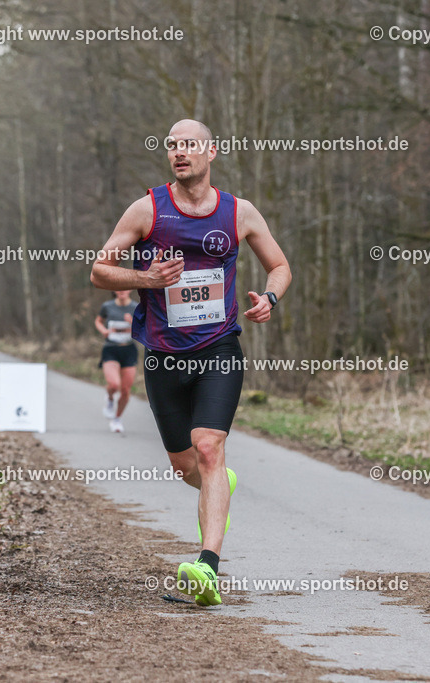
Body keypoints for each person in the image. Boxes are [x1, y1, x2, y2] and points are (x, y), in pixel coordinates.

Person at [90, 119, 291, 606]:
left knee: (208, 448)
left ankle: (207, 568)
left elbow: (280, 266)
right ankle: (217, 482)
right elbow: (99, 270)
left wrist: (269, 298)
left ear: (211, 151)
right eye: (173, 146)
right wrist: (147, 278)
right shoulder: (147, 210)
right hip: (163, 357)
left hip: (219, 348)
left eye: (189, 145)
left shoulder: (239, 213)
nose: (180, 153)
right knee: (186, 465)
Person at [95, 290, 139, 433]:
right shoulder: (107, 306)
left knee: (126, 391)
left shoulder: (136, 307)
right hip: (111, 349)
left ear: (130, 290)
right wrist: (103, 330)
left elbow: (145, 327)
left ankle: (117, 419)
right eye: (118, 288)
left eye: (124, 288)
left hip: (129, 350)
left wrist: (133, 322)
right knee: (114, 384)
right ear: (114, 291)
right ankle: (109, 399)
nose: (121, 291)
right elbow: (98, 321)